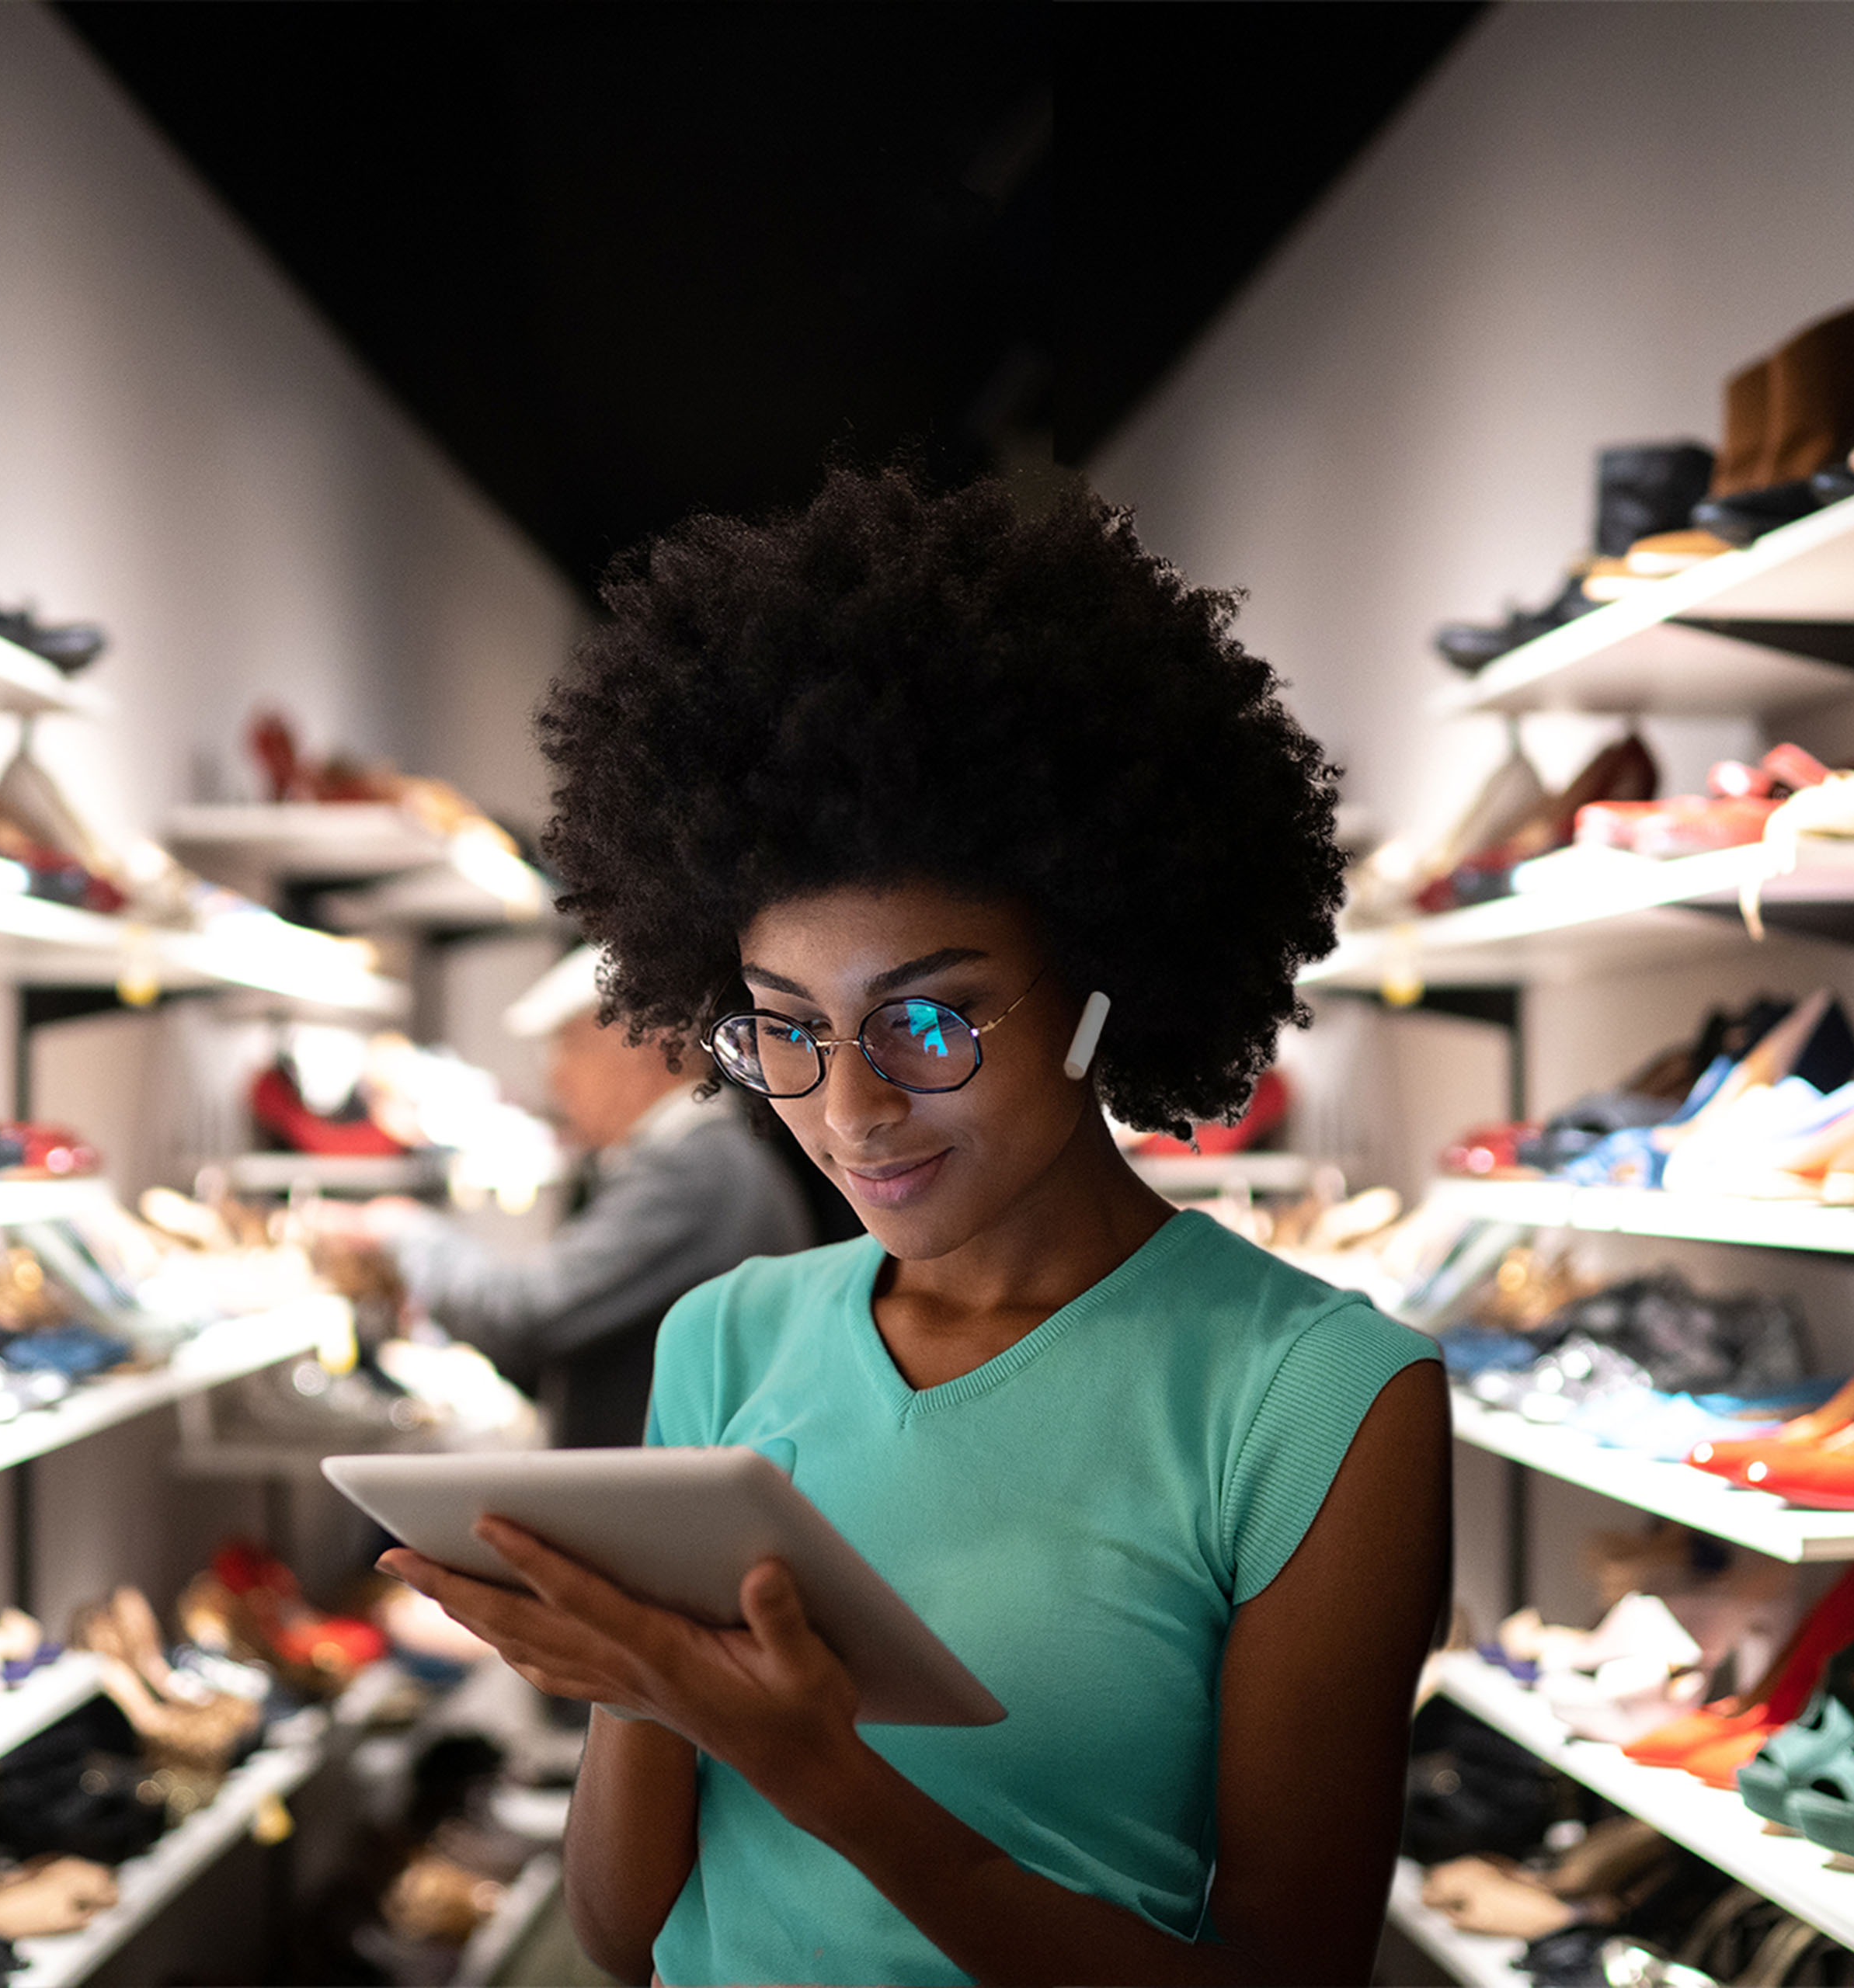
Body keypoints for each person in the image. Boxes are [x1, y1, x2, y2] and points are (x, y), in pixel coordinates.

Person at [377, 470, 1451, 1986]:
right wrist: (646, 1678)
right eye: (785, 1031)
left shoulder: (1318, 1399)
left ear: (1098, 983)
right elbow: (625, 1936)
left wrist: (821, 1772)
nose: (855, 1106)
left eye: (930, 1017)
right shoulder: (728, 1334)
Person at [337, 941, 814, 1448]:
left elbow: (526, 1316)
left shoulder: (695, 1173)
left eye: (572, 1046)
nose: (555, 1077)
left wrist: (406, 1233)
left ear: (655, 1046)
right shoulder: (700, 1160)